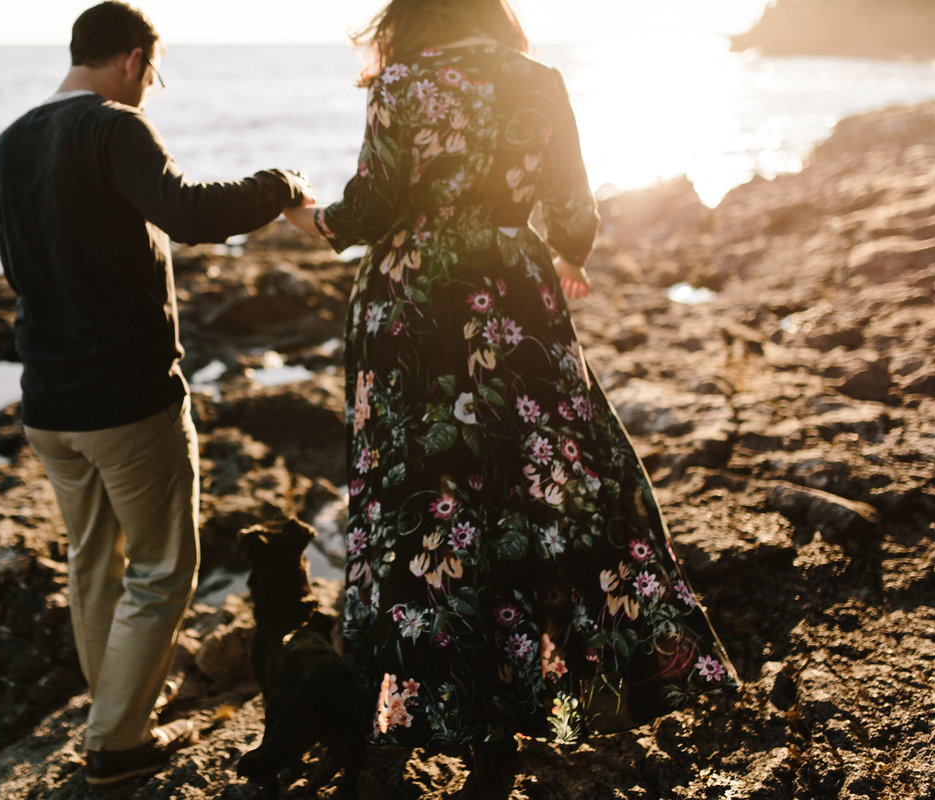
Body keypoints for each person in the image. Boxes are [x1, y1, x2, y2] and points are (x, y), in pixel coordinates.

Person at [284, 0, 738, 793]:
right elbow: (573, 213)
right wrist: (564, 256)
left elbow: (373, 208)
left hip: (413, 305)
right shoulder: (540, 81)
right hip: (514, 292)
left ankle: (450, 701)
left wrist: (309, 216)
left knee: (426, 497)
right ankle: (599, 678)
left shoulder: (400, 83)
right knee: (556, 481)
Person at [0, 1, 312, 787]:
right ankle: (118, 744)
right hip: (126, 400)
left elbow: (19, 269)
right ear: (133, 59)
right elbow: (189, 212)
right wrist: (279, 184)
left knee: (95, 561)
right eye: (152, 74)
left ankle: (115, 708)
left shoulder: (10, 143)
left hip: (48, 404)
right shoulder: (112, 127)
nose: (148, 88)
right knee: (163, 567)